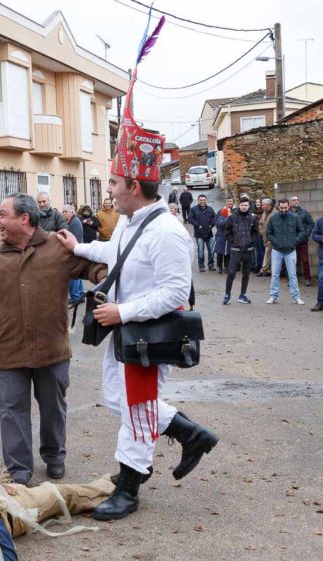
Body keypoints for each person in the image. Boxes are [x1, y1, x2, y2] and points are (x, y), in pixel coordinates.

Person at [56, 112, 218, 521]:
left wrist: (122, 310)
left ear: (133, 186)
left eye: (113, 183)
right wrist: (78, 247)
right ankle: (187, 432)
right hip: (127, 331)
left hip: (149, 333)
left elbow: (176, 293)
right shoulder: (131, 223)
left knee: (137, 406)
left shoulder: (167, 233)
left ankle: (129, 486)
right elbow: (114, 253)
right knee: (123, 401)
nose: (108, 191)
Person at [0, 193, 105, 485]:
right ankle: (18, 469)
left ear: (24, 218)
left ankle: (54, 456)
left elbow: (93, 268)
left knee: (53, 408)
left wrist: (108, 282)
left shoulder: (58, 247)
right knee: (12, 411)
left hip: (52, 348)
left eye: (2, 214)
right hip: (11, 349)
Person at [265, 199, 305, 306]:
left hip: (290, 250)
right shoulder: (273, 218)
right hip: (277, 250)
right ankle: (273, 296)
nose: (283, 210)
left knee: (292, 275)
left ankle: (296, 297)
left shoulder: (295, 217)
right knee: (275, 275)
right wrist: (276, 242)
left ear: (289, 206)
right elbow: (269, 233)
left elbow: (301, 232)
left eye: (285, 208)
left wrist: (294, 242)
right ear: (278, 207)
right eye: (281, 208)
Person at [222, 196, 258, 305]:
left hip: (248, 250)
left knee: (246, 274)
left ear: (249, 206)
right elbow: (227, 232)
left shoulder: (252, 218)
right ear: (239, 205)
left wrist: (251, 241)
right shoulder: (232, 217)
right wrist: (233, 242)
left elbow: (255, 232)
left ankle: (242, 295)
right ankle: (227, 295)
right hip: (235, 250)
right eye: (242, 205)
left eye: (246, 205)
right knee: (231, 273)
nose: (244, 207)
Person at [186, 193, 216, 272]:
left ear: (206, 200)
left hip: (209, 233)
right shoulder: (193, 209)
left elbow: (215, 218)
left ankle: (211, 265)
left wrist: (211, 225)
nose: (202, 201)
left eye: (203, 200)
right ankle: (201, 266)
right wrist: (197, 225)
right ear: (198, 201)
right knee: (200, 251)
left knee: (211, 250)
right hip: (199, 234)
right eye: (201, 200)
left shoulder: (210, 209)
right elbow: (190, 218)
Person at [289, 196, 315, 286]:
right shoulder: (287, 213)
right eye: (294, 200)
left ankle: (307, 278)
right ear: (290, 202)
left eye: (297, 200)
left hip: (302, 240)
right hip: (291, 240)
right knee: (291, 261)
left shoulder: (304, 212)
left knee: (305, 260)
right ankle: (292, 280)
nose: (296, 201)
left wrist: (306, 234)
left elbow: (311, 224)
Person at [214, 197, 234, 274]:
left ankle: (227, 267)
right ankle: (219, 267)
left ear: (233, 202)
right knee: (219, 253)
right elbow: (217, 223)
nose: (229, 202)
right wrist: (228, 218)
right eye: (228, 201)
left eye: (231, 201)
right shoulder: (220, 212)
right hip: (221, 236)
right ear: (225, 202)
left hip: (230, 237)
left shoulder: (235, 211)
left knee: (228, 253)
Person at [253, 198, 273, 275]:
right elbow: (260, 223)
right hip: (264, 237)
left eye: (263, 204)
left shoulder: (274, 214)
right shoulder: (265, 212)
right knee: (267, 253)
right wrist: (261, 231)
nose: (261, 206)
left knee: (267, 253)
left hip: (271, 238)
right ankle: (266, 270)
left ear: (268, 205)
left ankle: (263, 270)